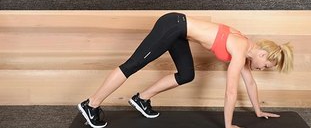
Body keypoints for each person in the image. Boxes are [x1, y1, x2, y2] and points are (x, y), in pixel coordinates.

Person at [77, 12, 293, 128]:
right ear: (263, 55)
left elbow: (250, 83)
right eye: (265, 66)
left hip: (179, 32)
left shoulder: (246, 50)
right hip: (172, 25)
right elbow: (230, 91)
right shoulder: (240, 48)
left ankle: (142, 99)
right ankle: (91, 104)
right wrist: (228, 125)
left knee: (186, 74)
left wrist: (258, 110)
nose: (261, 69)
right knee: (133, 64)